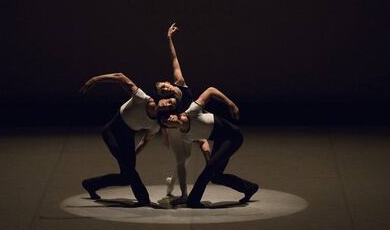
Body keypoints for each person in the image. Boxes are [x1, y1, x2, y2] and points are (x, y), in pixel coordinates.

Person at [160, 87, 259, 208]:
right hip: (221, 140)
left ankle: (193, 201)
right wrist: (209, 158)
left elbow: (211, 90)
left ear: (174, 114)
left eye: (169, 116)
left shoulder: (192, 111)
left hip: (234, 137)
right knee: (215, 176)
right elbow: (203, 142)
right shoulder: (184, 136)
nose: (169, 119)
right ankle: (250, 188)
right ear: (169, 127)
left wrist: (231, 104)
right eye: (166, 121)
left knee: (209, 169)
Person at [79, 72, 160, 207]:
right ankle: (144, 199)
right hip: (111, 133)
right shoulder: (141, 98)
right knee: (130, 171)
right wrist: (94, 79)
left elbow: (145, 140)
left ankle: (90, 184)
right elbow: (120, 77)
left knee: (126, 177)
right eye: (154, 100)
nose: (153, 102)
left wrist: (134, 153)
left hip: (127, 137)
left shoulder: (155, 124)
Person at [155, 23, 210, 202]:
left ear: (167, 82)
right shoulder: (168, 102)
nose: (165, 89)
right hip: (175, 129)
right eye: (162, 91)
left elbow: (174, 58)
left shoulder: (180, 81)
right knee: (181, 160)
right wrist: (164, 135)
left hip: (188, 125)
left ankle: (171, 182)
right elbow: (161, 118)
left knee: (186, 158)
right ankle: (184, 195)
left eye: (164, 86)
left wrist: (169, 38)